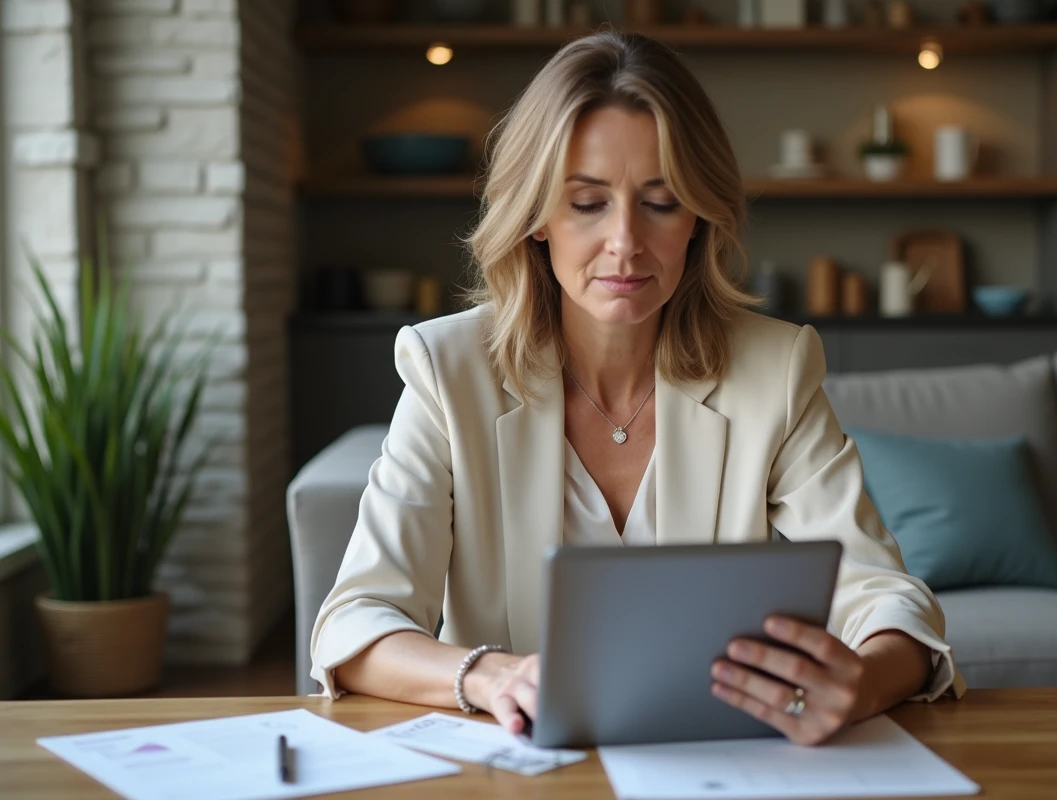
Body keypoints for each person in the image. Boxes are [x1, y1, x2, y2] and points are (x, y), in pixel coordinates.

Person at [310, 30, 964, 747]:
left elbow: (886, 597)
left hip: (710, 763)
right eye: (588, 203)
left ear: (699, 218)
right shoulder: (448, 368)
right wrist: (491, 676)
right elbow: (354, 622)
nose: (625, 242)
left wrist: (861, 682)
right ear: (536, 216)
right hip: (515, 767)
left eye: (660, 201)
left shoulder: (774, 369)